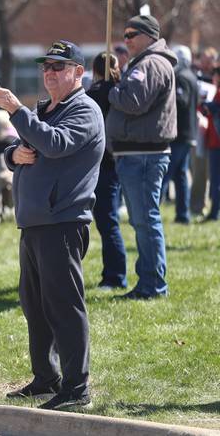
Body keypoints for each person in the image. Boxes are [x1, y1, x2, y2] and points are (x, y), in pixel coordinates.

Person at [0, 39, 103, 411]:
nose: (50, 72)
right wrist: (13, 153)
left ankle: (76, 388)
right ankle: (46, 378)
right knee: (35, 305)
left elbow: (55, 144)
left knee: (64, 306)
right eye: (46, 66)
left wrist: (16, 111)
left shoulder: (85, 110)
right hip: (35, 222)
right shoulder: (45, 109)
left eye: (59, 66)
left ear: (78, 72)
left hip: (62, 222)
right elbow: (16, 147)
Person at [107, 14, 177, 299]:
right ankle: (150, 282)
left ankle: (152, 285)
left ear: (149, 35)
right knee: (143, 220)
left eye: (131, 34)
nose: (126, 40)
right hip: (138, 154)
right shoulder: (147, 63)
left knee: (145, 221)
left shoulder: (151, 63)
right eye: (125, 35)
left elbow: (132, 101)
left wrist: (111, 90)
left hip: (143, 156)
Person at [85, 52, 128, 289]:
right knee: (106, 221)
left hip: (103, 164)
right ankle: (113, 274)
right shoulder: (117, 91)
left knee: (107, 221)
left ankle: (115, 276)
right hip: (113, 162)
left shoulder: (98, 93)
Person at [160, 45, 199, 223]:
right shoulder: (191, 75)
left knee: (166, 173)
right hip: (188, 133)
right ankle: (183, 214)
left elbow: (181, 101)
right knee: (181, 176)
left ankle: (153, 212)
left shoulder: (181, 77)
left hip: (180, 134)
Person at [199, 66, 220, 221]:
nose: (213, 78)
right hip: (214, 141)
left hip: (216, 143)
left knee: (216, 180)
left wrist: (202, 103)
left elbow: (207, 110)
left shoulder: (218, 94)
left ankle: (214, 213)